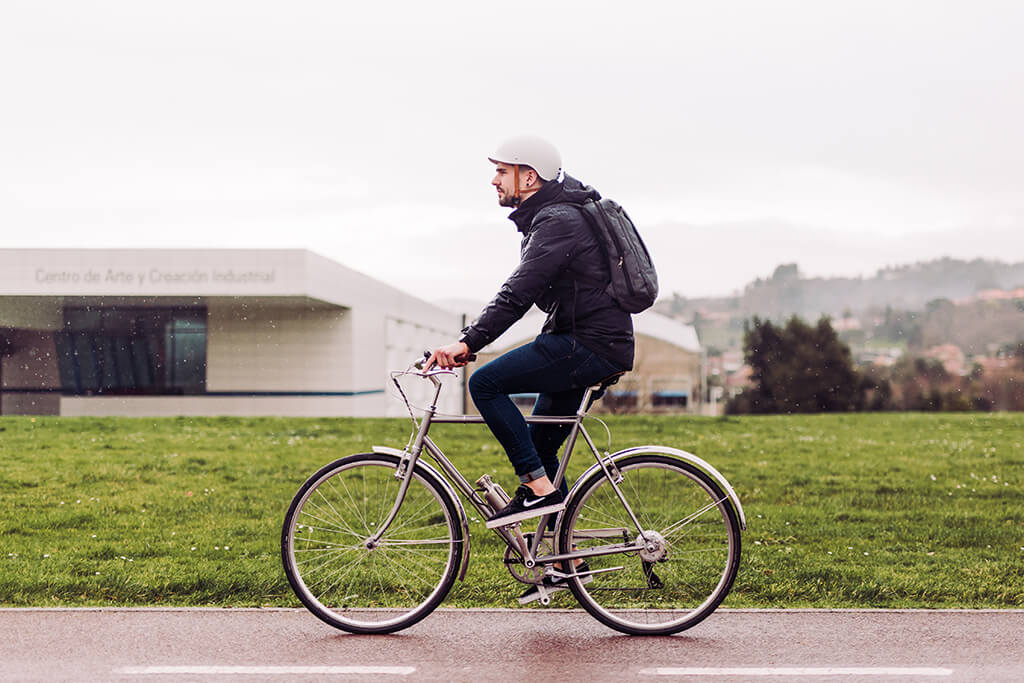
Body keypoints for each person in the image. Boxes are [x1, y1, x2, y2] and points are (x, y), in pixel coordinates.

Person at [425, 134, 635, 531]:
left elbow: (517, 293)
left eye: (502, 171)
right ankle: (563, 561)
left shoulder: (559, 221)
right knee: (540, 445)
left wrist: (468, 342)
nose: (494, 180)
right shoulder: (558, 216)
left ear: (530, 177)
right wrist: (472, 342)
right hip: (589, 342)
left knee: (485, 383)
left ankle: (538, 491)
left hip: (587, 345)